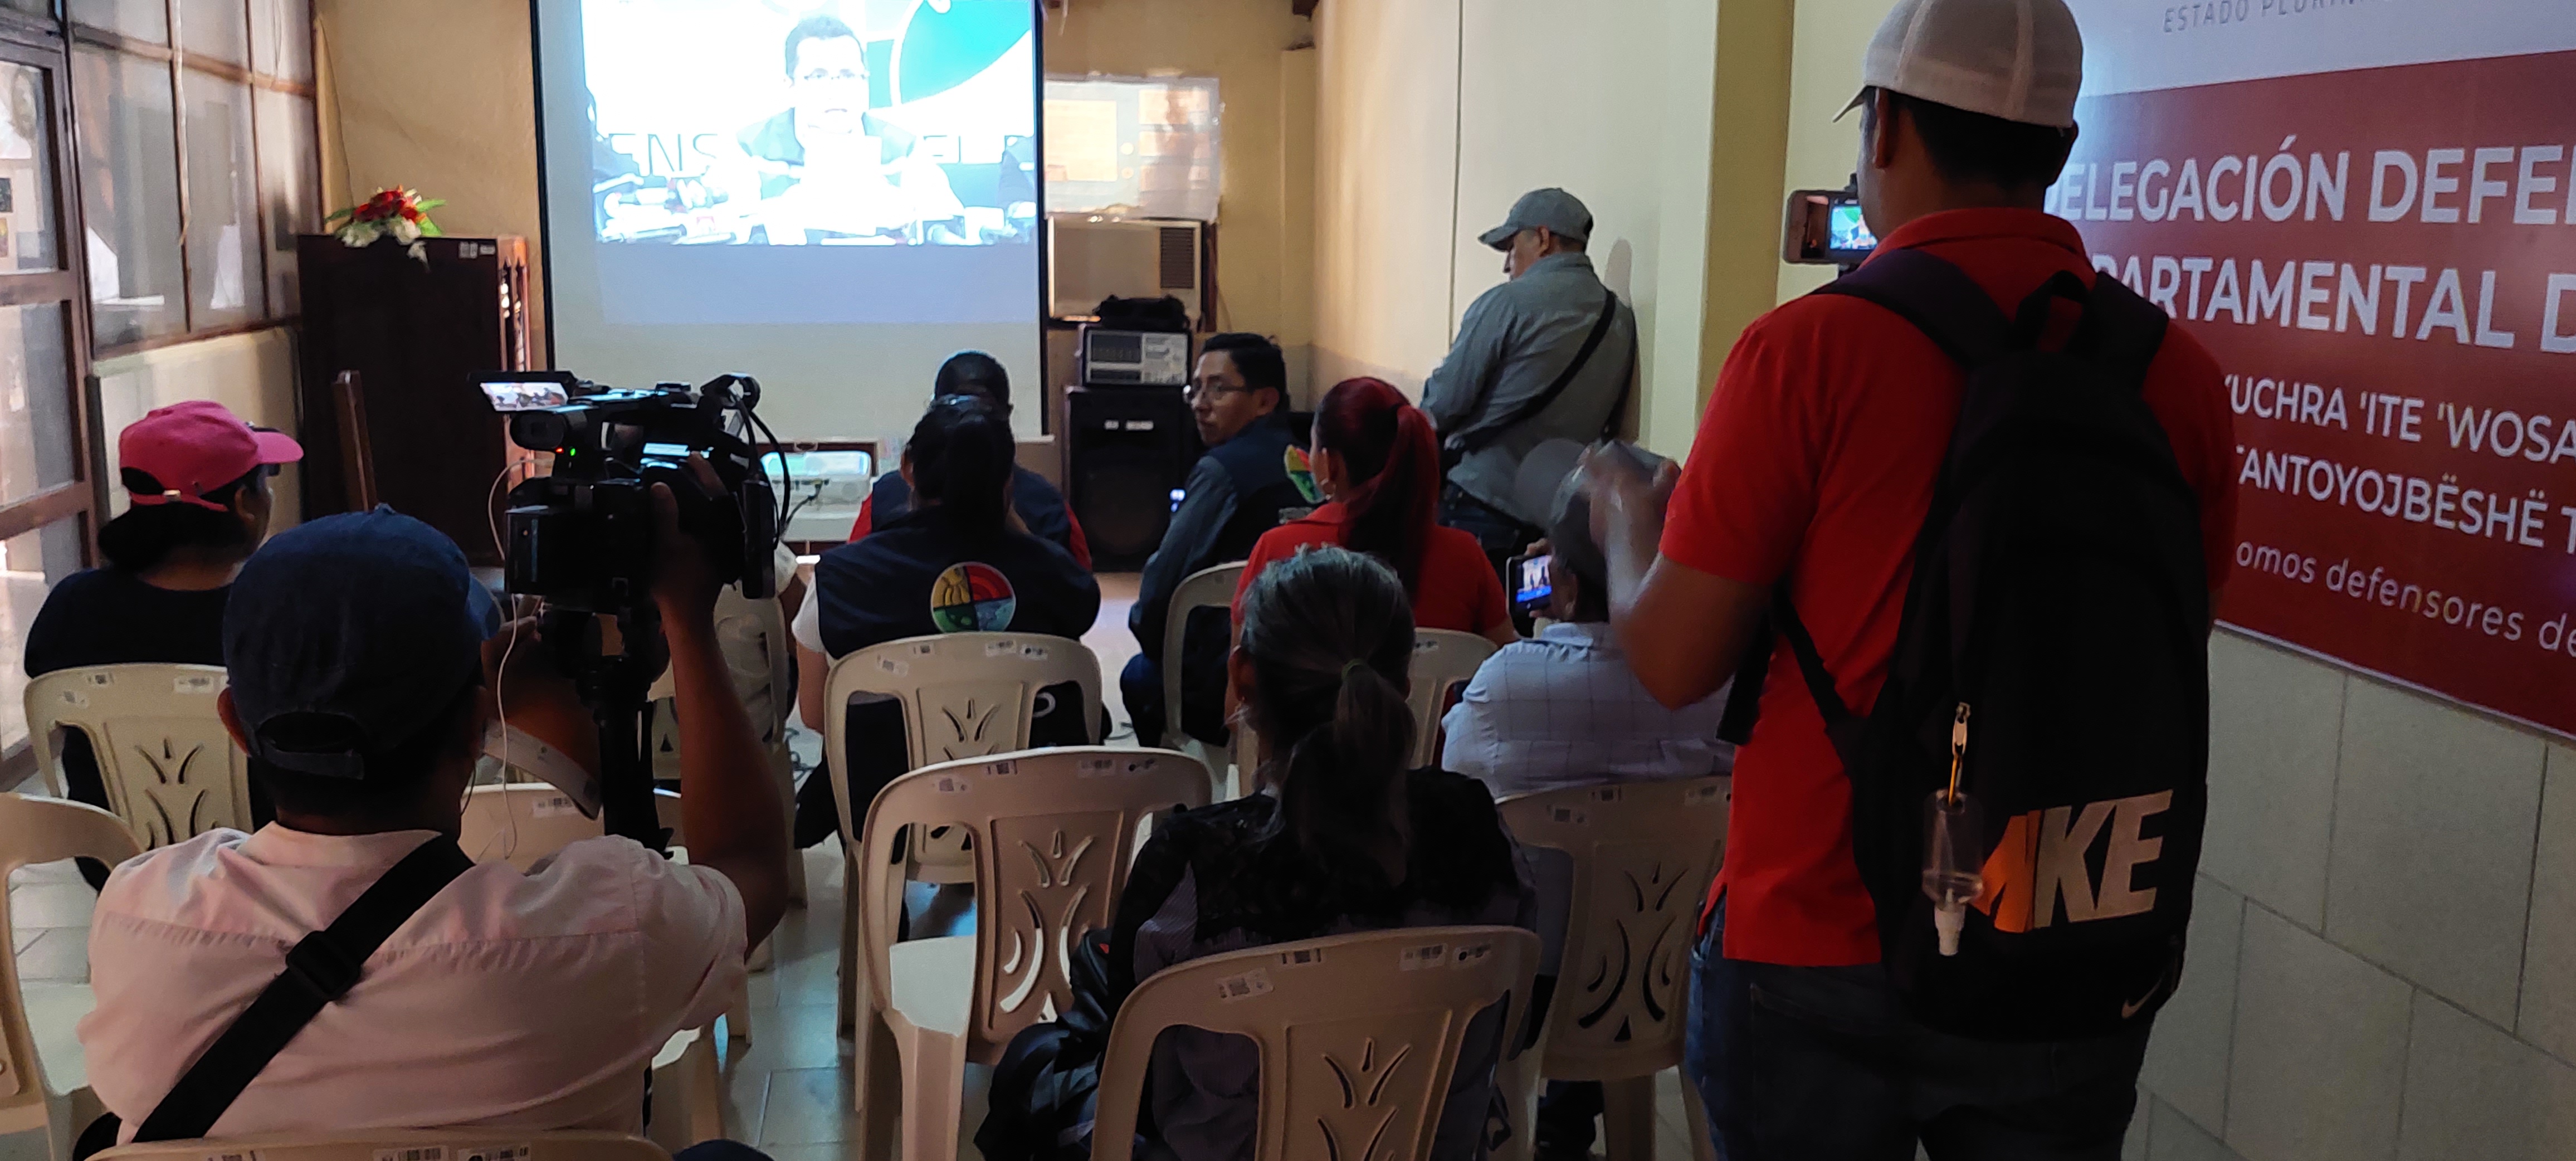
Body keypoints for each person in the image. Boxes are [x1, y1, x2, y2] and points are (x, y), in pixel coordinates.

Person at [1582, 0, 2236, 1154]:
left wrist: (1630, 526)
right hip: (2060, 928)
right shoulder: (2172, 373)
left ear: (1882, 127)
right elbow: (2172, 633)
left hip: (1818, 934)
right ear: (2059, 150)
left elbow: (1676, 660)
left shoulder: (1808, 350)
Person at [78, 477, 790, 1146]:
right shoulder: (608, 925)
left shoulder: (138, 913)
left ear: (236, 723)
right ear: (477, 722)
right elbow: (752, 864)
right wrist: (688, 623)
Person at [980, 546, 1536, 1160]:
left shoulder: (1193, 863)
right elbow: (1520, 1017)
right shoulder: (1478, 832)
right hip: (1426, 1146)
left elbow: (1135, 1083)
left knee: (1034, 1062)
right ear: (1403, 686)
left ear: (1242, 678)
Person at [792, 394, 1099, 843]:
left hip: (892, 812)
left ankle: (883, 907)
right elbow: (1077, 597)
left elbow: (817, 713)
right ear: (1008, 483)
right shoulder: (1055, 577)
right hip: (1030, 807)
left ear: (908, 470)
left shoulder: (842, 576)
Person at [25, 401, 301, 882]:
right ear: (242, 505)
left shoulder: (73, 607)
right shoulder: (280, 610)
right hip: (261, 859)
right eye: (264, 480)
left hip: (115, 862)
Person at [1422, 187, 1639, 573]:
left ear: (1542, 238)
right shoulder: (1618, 319)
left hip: (1478, 504)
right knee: (1519, 628)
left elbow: (1445, 404)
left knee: (1456, 625)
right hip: (1550, 523)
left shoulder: (1507, 303)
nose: (1507, 264)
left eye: (1511, 246)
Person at [1120, 333, 1306, 748]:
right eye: (1196, 388)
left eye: (1218, 389)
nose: (1201, 403)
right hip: (1307, 671)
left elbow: (1160, 589)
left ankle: (1182, 801)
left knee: (1139, 675)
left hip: (1231, 680)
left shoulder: (1222, 472)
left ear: (1265, 400)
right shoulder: (1308, 462)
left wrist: (1156, 646)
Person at [1234, 377, 1513, 647]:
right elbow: (1504, 666)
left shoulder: (1278, 551)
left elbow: (1242, 686)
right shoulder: (1465, 557)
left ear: (1331, 464)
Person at [846, 351, 1090, 569]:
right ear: (1006, 416)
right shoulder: (1046, 502)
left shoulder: (884, 498)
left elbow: (849, 581)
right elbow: (1079, 593)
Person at [735, 13, 964, 242]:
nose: (835, 91)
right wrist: (792, 209)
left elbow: (948, 228)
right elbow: (727, 238)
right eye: (818, 76)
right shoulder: (749, 147)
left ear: (865, 81)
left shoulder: (903, 147)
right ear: (790, 86)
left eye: (848, 76)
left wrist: (903, 210)